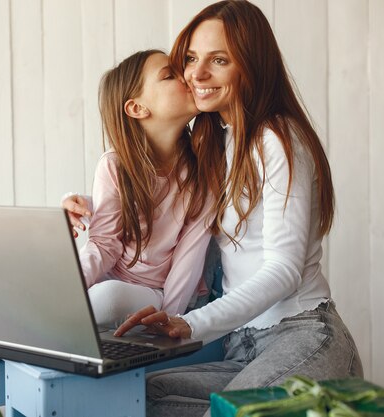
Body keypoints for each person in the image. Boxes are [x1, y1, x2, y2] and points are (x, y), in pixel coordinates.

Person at [65, 2, 363, 416]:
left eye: (218, 60)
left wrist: (191, 322)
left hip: (301, 334)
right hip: (244, 344)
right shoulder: (214, 142)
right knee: (137, 400)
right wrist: (91, 208)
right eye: (190, 59)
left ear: (250, 66)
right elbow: (158, 204)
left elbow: (284, 268)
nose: (196, 74)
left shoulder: (276, 138)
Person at [76, 49, 216, 327]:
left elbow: (190, 255)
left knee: (108, 297)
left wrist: (172, 317)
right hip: (111, 276)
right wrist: (65, 291)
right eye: (169, 76)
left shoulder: (203, 170)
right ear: (137, 108)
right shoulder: (115, 165)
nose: (187, 77)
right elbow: (104, 244)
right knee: (92, 293)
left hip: (155, 291)